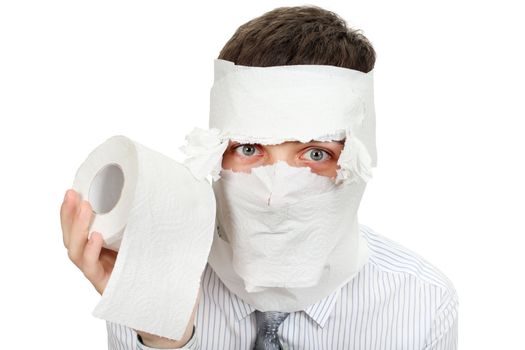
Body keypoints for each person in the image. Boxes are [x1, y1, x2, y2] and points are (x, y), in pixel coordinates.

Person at [61, 5, 458, 350]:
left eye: (316, 154)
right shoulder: (148, 280)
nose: (276, 195)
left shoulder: (421, 304)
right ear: (216, 151)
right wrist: (163, 331)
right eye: (249, 150)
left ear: (360, 160)